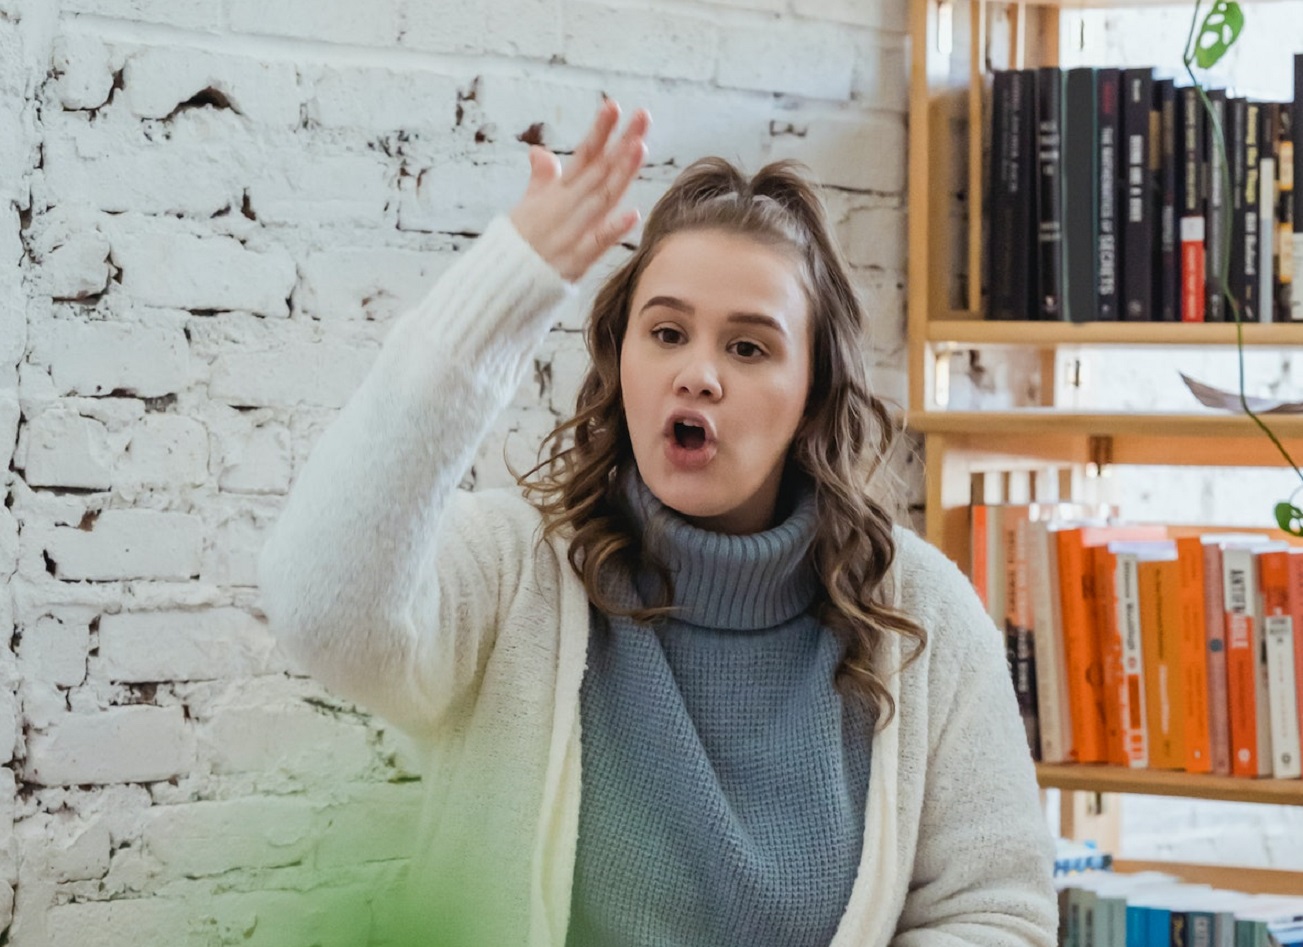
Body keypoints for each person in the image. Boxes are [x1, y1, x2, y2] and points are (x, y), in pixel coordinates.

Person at [257, 100, 1057, 947]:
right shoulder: (514, 573)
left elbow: (994, 913)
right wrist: (496, 296)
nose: (698, 374)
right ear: (621, 358)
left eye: (748, 348)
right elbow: (320, 608)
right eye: (667, 332)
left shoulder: (916, 611)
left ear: (813, 396)